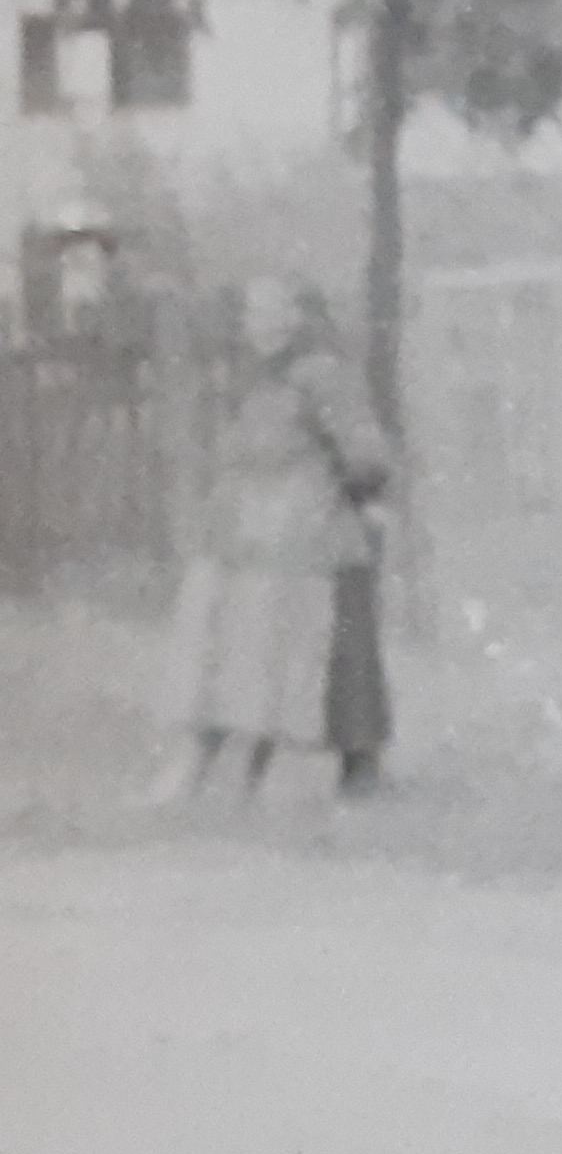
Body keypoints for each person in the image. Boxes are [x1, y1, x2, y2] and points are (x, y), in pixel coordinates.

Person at [152, 274, 391, 806]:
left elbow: (365, 453)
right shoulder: (252, 381)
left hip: (314, 531)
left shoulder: (323, 374)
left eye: (274, 310)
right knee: (235, 634)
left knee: (332, 649)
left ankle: (355, 769)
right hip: (255, 531)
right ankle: (229, 768)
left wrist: (355, 495)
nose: (259, 323)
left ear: (300, 317)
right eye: (253, 312)